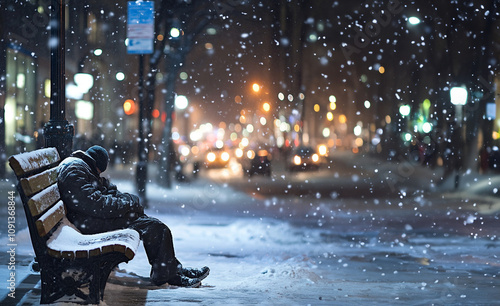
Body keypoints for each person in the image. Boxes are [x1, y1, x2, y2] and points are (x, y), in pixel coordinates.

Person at [57, 145, 209, 287]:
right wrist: (128, 205)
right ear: (96, 165)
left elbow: (108, 192)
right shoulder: (75, 171)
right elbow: (96, 205)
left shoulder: (83, 168)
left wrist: (130, 202)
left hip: (91, 219)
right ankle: (168, 275)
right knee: (155, 228)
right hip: (87, 224)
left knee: (153, 225)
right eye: (99, 171)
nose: (99, 175)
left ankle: (173, 270)